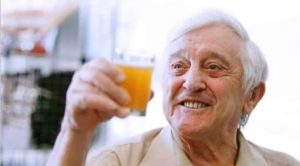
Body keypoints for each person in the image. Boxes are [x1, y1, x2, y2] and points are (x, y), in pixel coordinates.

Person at [46, 9, 300, 166]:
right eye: (178, 66)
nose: (191, 82)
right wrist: (74, 129)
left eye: (213, 67)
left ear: (252, 96)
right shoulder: (119, 161)